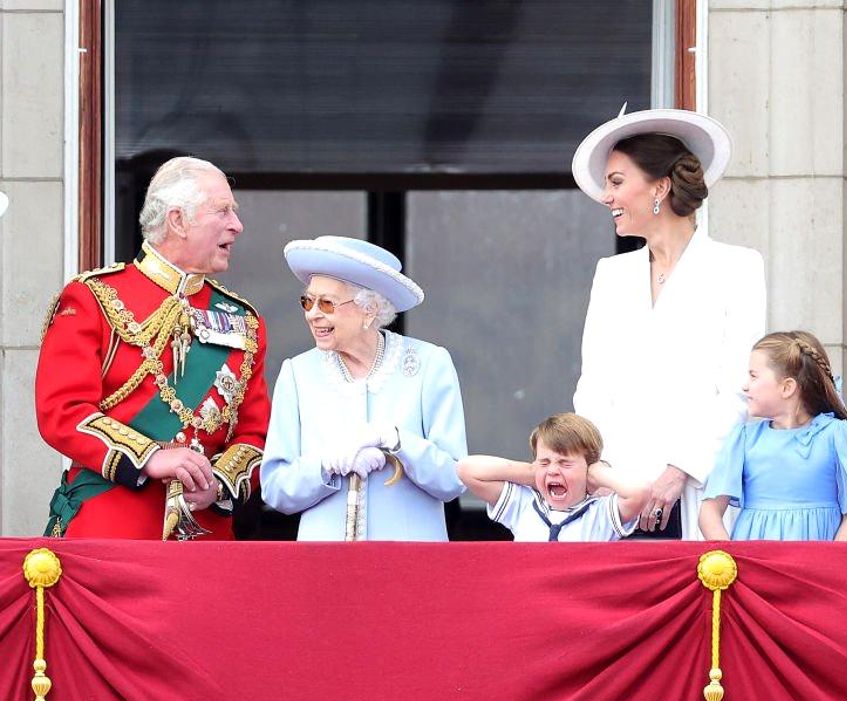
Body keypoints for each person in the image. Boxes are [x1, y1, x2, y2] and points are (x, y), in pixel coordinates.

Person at [35, 156, 270, 539]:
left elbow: (256, 435)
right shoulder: (95, 297)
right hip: (109, 531)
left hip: (205, 540)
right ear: (178, 220)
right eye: (223, 211)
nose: (237, 225)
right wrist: (152, 458)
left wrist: (219, 485)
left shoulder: (244, 321)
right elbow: (62, 411)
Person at [571, 107, 767, 540]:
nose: (607, 197)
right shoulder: (611, 274)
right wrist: (599, 471)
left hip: (698, 493)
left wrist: (680, 470)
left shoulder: (737, 267)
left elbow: (740, 386)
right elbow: (594, 385)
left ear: (660, 186)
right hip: (616, 497)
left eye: (617, 182)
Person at [260, 236, 466, 541]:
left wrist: (397, 441)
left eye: (326, 303)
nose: (312, 313)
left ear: (369, 309)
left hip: (411, 565)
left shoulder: (429, 364)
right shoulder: (298, 373)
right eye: (307, 301)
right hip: (325, 567)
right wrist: (326, 463)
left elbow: (452, 480)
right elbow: (276, 490)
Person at [699, 331, 847, 541]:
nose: (745, 385)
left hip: (815, 566)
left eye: (753, 376)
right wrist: (730, 560)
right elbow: (709, 511)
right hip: (756, 566)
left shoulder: (836, 434)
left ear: (787, 387)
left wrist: (830, 564)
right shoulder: (744, 439)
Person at [456, 413, 648, 541]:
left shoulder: (600, 513)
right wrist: (531, 474)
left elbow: (640, 493)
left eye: (565, 463)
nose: (553, 471)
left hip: (577, 600)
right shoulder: (523, 504)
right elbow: (466, 469)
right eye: (545, 462)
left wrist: (597, 473)